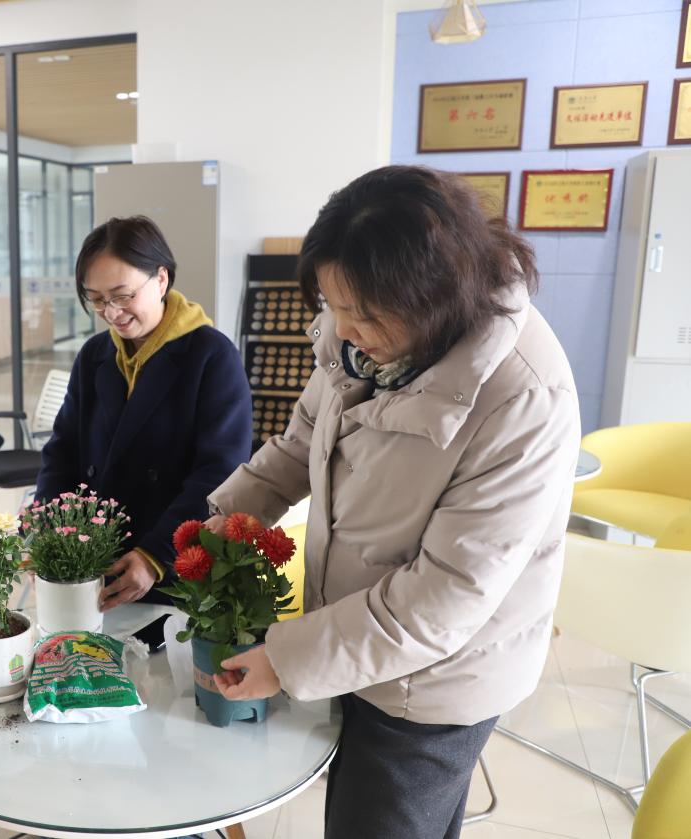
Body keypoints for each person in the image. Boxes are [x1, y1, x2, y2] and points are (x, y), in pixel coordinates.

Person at [206, 166, 580, 839]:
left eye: (365, 314)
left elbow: (445, 598)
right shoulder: (358, 335)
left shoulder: (522, 395)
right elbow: (303, 440)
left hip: (434, 683)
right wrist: (223, 521)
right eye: (333, 305)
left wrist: (287, 660)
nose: (345, 329)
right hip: (358, 638)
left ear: (434, 294)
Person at [35, 215, 252, 610]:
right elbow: (63, 450)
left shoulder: (211, 356)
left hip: (173, 566)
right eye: (96, 299)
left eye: (122, 296)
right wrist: (47, 529)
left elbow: (219, 472)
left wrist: (156, 555)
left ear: (161, 279)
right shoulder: (95, 355)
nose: (111, 312)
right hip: (94, 560)